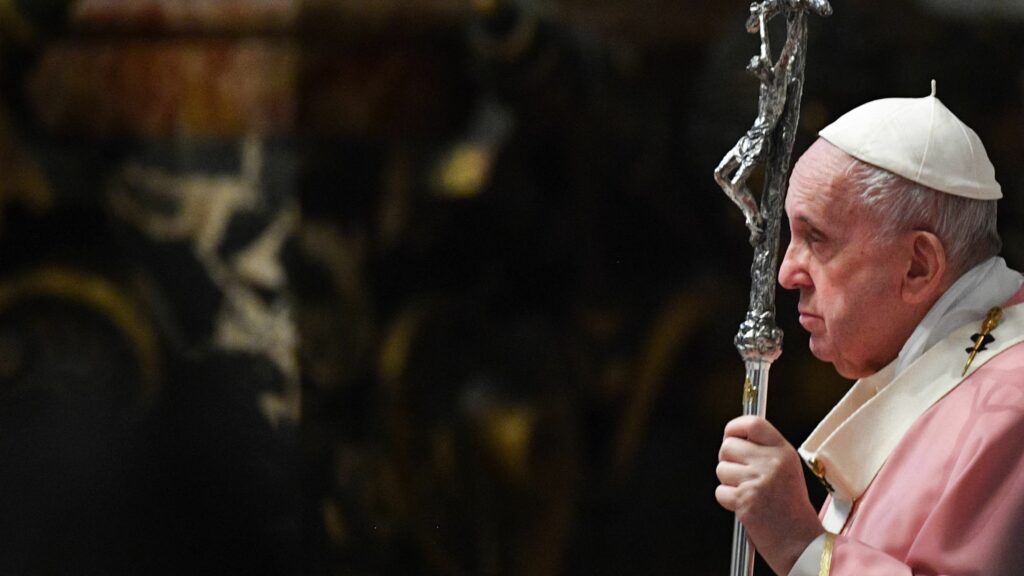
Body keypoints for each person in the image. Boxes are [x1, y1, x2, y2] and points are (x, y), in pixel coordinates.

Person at [715, 82, 1024, 575]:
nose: (787, 273)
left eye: (817, 239)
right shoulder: (936, 372)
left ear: (918, 266)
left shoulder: (1011, 405)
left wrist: (801, 545)